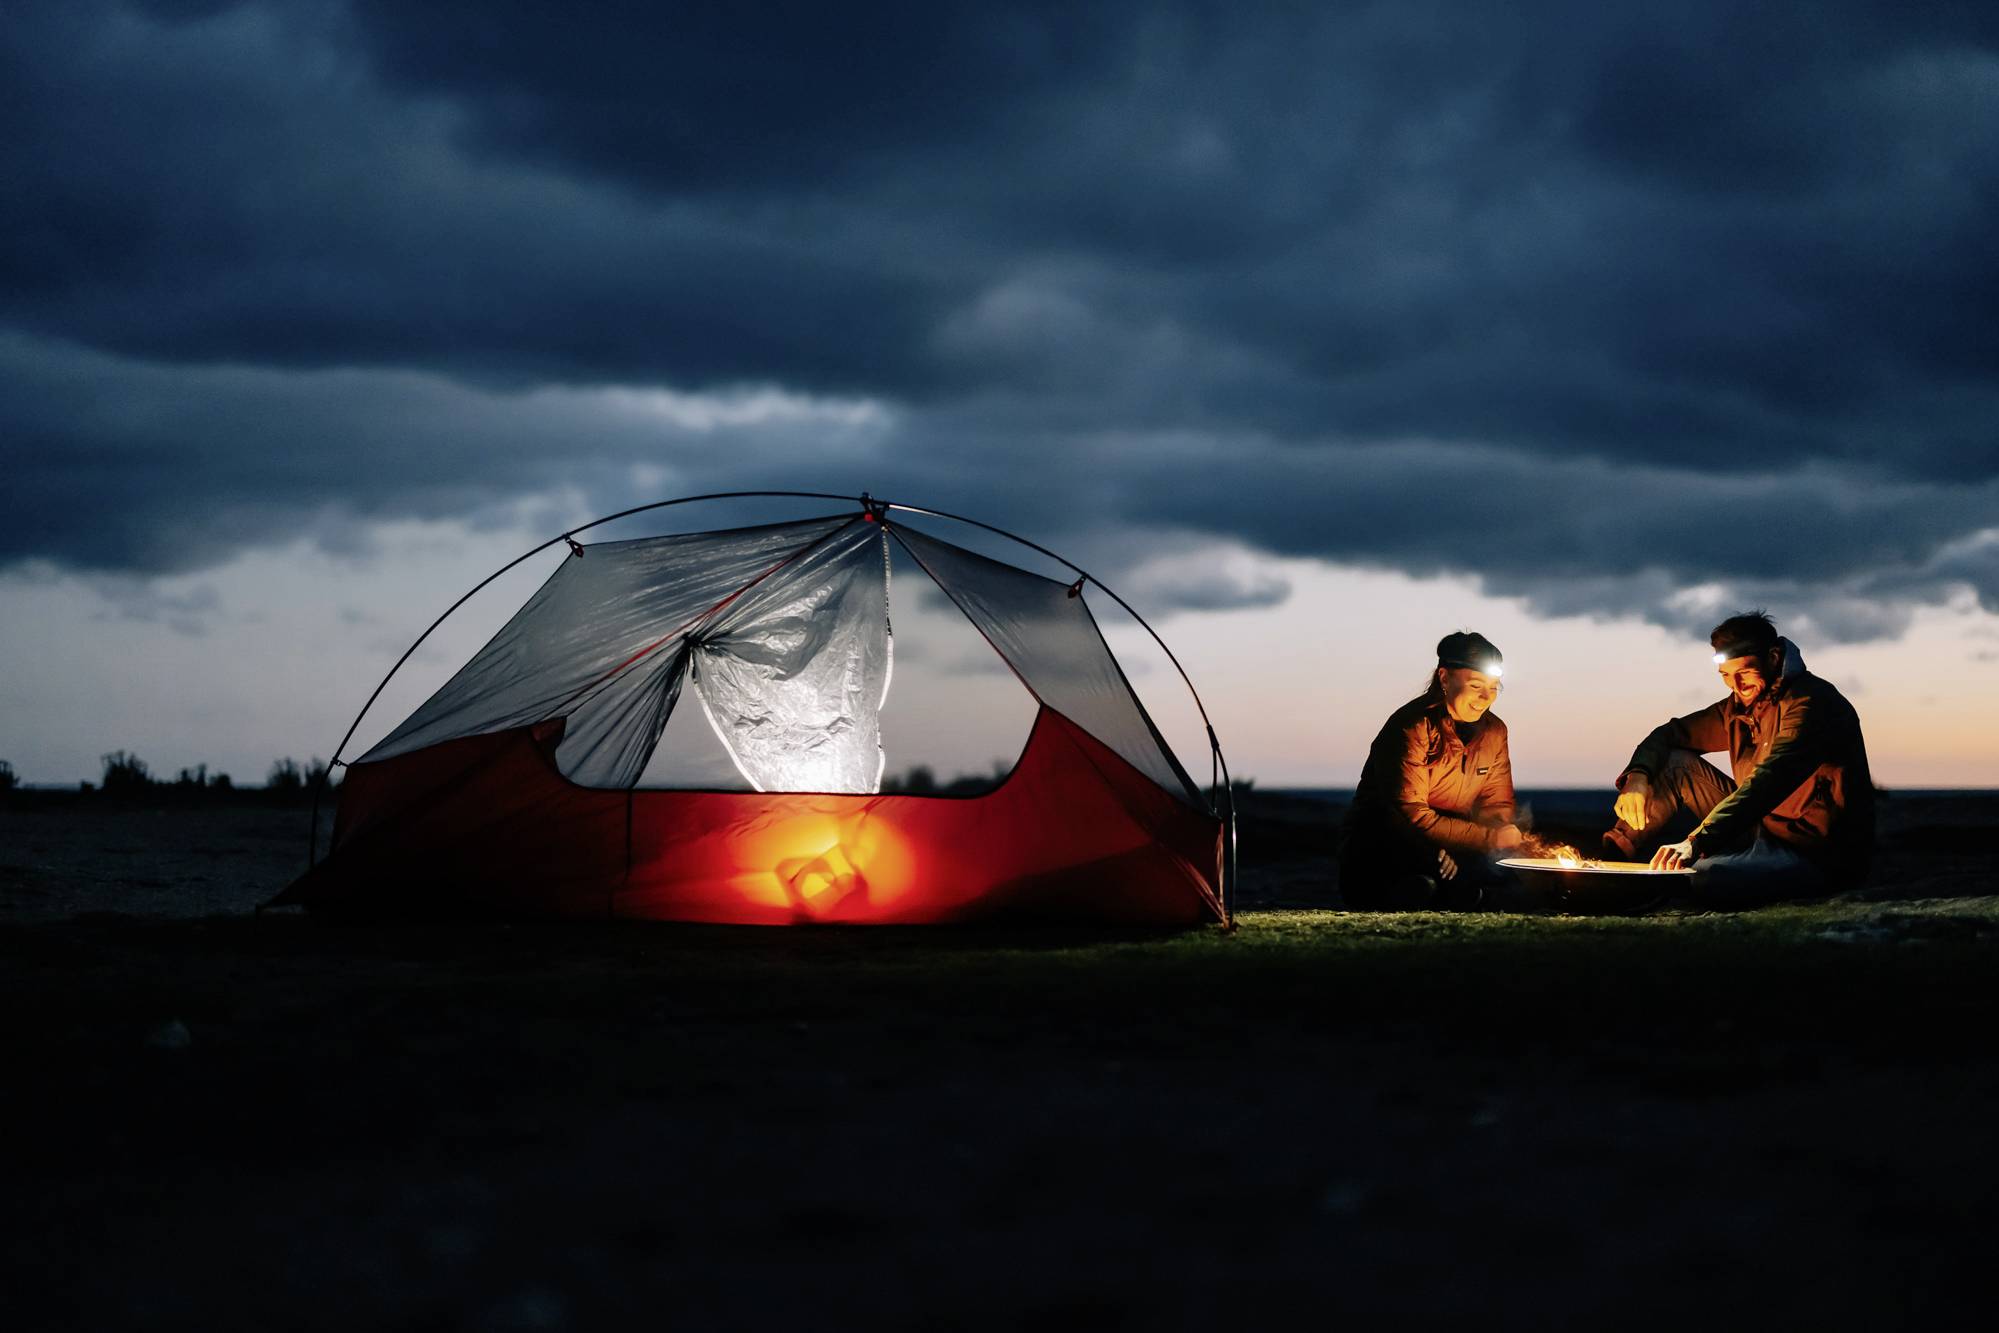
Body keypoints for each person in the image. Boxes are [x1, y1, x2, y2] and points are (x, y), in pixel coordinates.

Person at [1603, 611, 1873, 906]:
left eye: (1744, 672)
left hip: (1812, 851)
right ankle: (1611, 859)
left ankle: (1651, 887)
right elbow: (1669, 734)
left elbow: (1768, 781)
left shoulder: (1810, 704)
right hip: (1760, 828)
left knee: (1697, 877)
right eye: (1726, 676)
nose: (1735, 685)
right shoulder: (1738, 708)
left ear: (1772, 658)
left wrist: (1695, 842)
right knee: (1676, 762)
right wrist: (1637, 778)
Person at [1340, 631, 1523, 910]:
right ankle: (1413, 891)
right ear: (1444, 678)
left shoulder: (1494, 732)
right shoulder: (1412, 726)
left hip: (1455, 847)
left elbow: (1496, 802)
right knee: (1429, 868)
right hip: (1388, 844)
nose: (1486, 697)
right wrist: (1487, 838)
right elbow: (1409, 812)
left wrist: (1499, 829)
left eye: (1495, 686)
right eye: (1476, 686)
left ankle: (1459, 892)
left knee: (1512, 873)